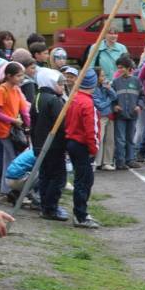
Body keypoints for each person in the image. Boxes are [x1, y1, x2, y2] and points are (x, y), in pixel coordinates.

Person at [64, 69, 100, 229]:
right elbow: (91, 130)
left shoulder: (74, 98)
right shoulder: (87, 103)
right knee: (84, 181)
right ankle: (80, 215)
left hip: (72, 141)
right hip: (81, 145)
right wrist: (94, 149)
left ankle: (81, 212)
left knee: (83, 179)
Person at [31, 69, 67, 222]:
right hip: (53, 146)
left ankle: (45, 206)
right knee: (58, 177)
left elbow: (33, 124)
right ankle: (51, 208)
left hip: (39, 144)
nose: (63, 87)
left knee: (45, 176)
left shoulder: (37, 97)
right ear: (50, 83)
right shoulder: (53, 100)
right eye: (60, 84)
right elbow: (62, 124)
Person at [0, 63, 30, 197]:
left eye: (22, 75)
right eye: (18, 76)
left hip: (13, 129)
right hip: (3, 130)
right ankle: (8, 189)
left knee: (10, 158)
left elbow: (24, 110)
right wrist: (13, 120)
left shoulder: (16, 89)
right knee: (10, 158)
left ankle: (6, 188)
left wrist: (29, 125)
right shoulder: (1, 90)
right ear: (9, 76)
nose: (21, 78)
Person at [111, 55, 144, 169]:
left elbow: (142, 96)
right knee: (120, 139)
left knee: (130, 138)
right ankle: (120, 161)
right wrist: (114, 106)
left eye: (122, 68)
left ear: (128, 68)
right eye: (118, 68)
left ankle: (130, 160)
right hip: (120, 116)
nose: (119, 70)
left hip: (132, 115)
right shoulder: (115, 82)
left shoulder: (136, 81)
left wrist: (139, 106)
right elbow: (111, 97)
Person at [92, 67, 117, 171]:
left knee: (110, 139)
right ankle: (97, 162)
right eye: (102, 76)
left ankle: (107, 162)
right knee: (100, 139)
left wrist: (109, 89)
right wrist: (109, 100)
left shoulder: (105, 86)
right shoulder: (93, 89)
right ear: (96, 77)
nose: (104, 77)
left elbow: (115, 96)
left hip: (109, 116)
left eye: (104, 75)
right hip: (100, 117)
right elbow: (100, 105)